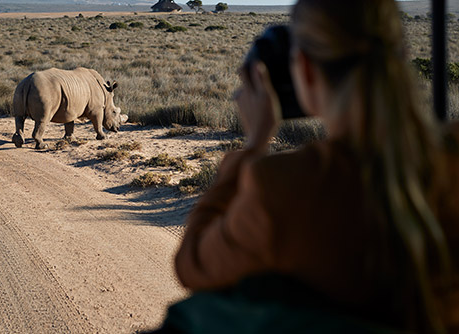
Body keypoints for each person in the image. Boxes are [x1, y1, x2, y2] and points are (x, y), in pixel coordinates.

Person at [168, 0, 459, 333]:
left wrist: (252, 146)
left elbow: (193, 266)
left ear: (304, 68)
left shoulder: (284, 186)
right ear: (404, 53)